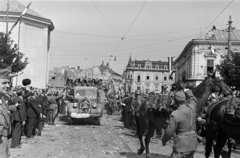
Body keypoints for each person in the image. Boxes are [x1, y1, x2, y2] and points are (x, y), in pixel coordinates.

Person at [162, 89, 199, 158]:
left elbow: (169, 132)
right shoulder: (192, 108)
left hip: (181, 144)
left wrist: (164, 140)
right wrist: (187, 91)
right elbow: (193, 99)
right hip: (193, 143)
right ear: (185, 100)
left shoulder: (175, 114)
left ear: (174, 102)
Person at [0, 68, 20, 158]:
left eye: (8, 83)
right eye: (4, 83)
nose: (8, 85)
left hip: (4, 140)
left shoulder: (2, 100)